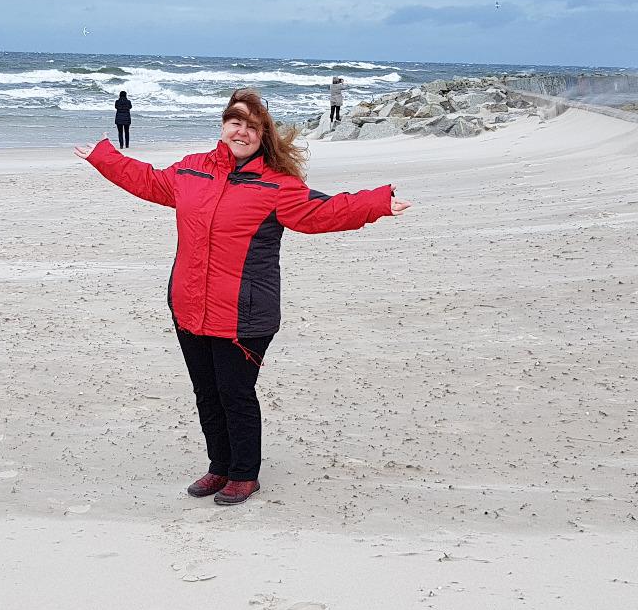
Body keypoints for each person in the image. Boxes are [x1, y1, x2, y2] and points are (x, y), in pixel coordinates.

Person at [73, 89, 411, 506]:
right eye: (235, 121)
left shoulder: (277, 186)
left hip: (244, 312)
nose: (242, 131)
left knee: (236, 393)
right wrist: (103, 157)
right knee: (207, 392)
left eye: (252, 126)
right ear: (223, 125)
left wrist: (376, 203)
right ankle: (219, 467)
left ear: (262, 136)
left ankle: (244, 473)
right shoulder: (192, 171)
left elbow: (324, 211)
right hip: (189, 304)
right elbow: (147, 180)